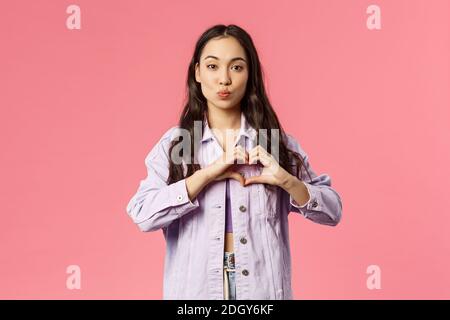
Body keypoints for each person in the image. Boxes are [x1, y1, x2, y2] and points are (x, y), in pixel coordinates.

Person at [126, 24, 343, 300]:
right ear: (197, 73)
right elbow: (142, 214)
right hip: (197, 294)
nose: (224, 79)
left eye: (237, 67)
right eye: (213, 66)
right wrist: (204, 176)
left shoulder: (274, 144)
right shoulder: (177, 144)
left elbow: (333, 211)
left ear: (250, 75)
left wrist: (287, 181)